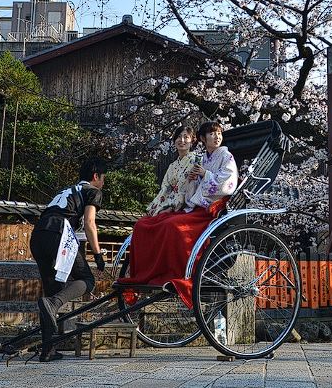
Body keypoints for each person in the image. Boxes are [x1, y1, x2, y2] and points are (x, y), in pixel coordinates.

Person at [119, 121, 238, 307]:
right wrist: (191, 182)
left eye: (219, 133)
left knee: (172, 226)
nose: (217, 137)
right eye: (212, 134)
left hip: (211, 207)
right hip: (193, 205)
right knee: (143, 225)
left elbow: (227, 183)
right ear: (203, 138)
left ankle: (178, 273)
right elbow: (178, 190)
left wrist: (204, 176)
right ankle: (147, 274)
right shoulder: (201, 159)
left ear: (193, 141)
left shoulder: (224, 156)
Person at [30, 157, 107, 362]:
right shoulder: (93, 191)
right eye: (103, 178)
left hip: (38, 235)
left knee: (51, 292)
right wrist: (98, 254)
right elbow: (90, 223)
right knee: (87, 280)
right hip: (58, 234)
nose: (103, 182)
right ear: (95, 176)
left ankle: (48, 351)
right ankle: (54, 304)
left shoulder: (66, 191)